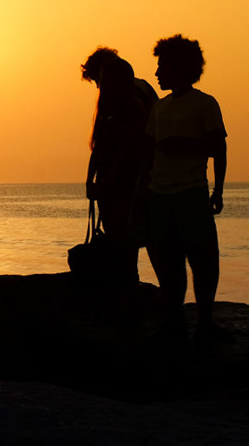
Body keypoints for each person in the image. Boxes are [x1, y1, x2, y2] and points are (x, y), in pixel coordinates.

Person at [144, 34, 229, 346]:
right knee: (168, 264)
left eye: (162, 66)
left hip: (191, 192)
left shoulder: (205, 104)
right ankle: (174, 320)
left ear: (180, 67)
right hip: (159, 194)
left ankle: (205, 321)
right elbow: (147, 151)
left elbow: (218, 149)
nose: (157, 73)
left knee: (203, 260)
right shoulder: (158, 109)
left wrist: (218, 192)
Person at [81, 47, 158, 277]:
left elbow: (134, 141)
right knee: (131, 236)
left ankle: (128, 286)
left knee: (124, 237)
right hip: (129, 176)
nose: (98, 86)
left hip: (128, 178)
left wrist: (107, 178)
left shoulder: (130, 96)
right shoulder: (140, 90)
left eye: (99, 80)